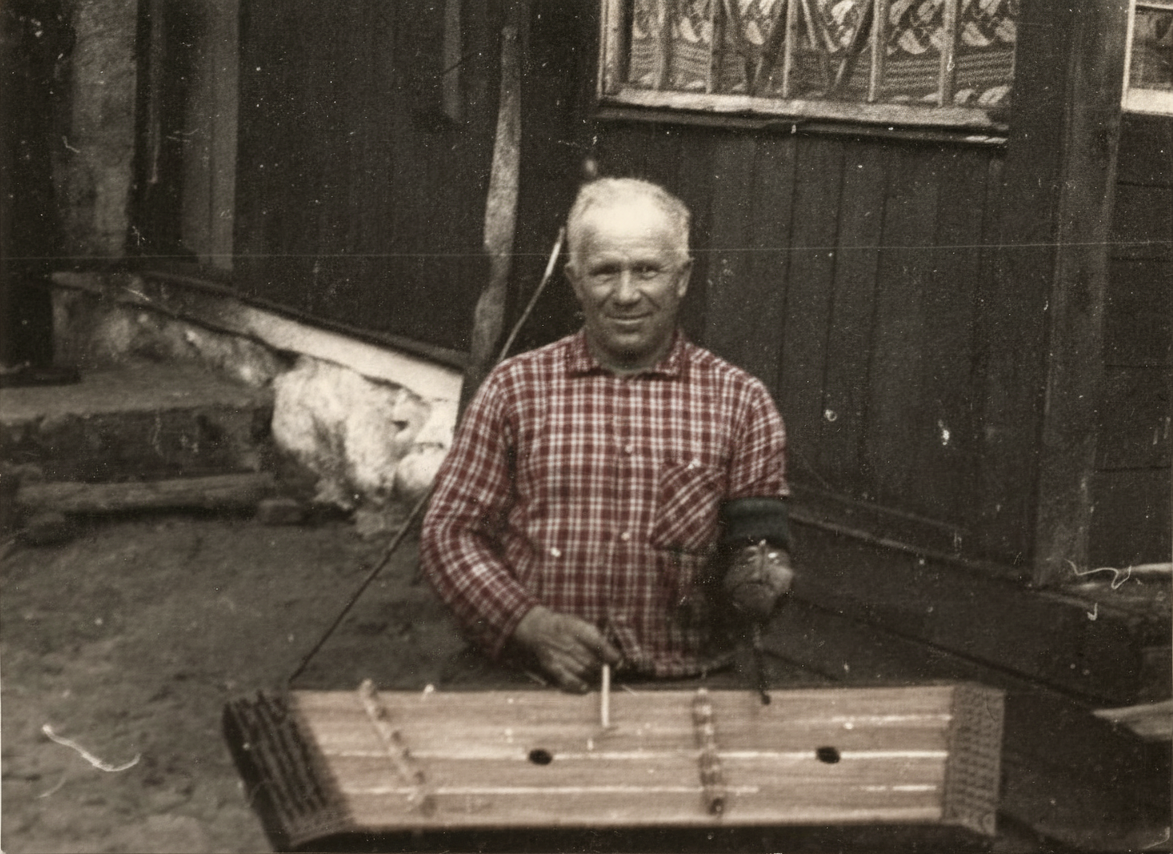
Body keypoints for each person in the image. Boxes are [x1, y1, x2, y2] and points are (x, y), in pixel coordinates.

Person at [421, 177, 794, 692]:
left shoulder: (742, 402)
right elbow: (450, 532)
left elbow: (757, 544)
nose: (625, 294)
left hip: (682, 682)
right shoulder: (514, 389)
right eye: (604, 272)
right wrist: (526, 623)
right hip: (533, 674)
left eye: (647, 270)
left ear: (682, 278)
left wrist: (756, 574)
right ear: (575, 281)